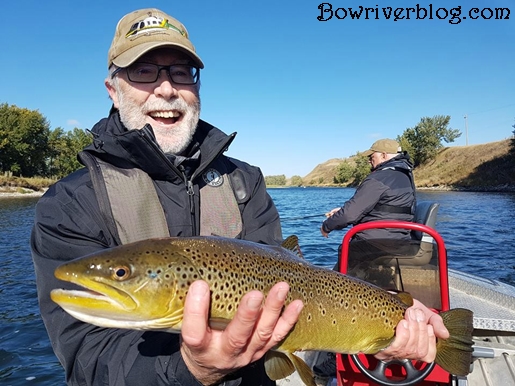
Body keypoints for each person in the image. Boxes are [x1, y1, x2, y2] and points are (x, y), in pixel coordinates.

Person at [31, 9, 448, 386]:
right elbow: (87, 360)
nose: (165, 88)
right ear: (112, 88)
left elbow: (292, 280)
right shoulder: (68, 205)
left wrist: (388, 329)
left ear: (196, 86)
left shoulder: (244, 180)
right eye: (143, 72)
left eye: (180, 72)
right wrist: (191, 369)